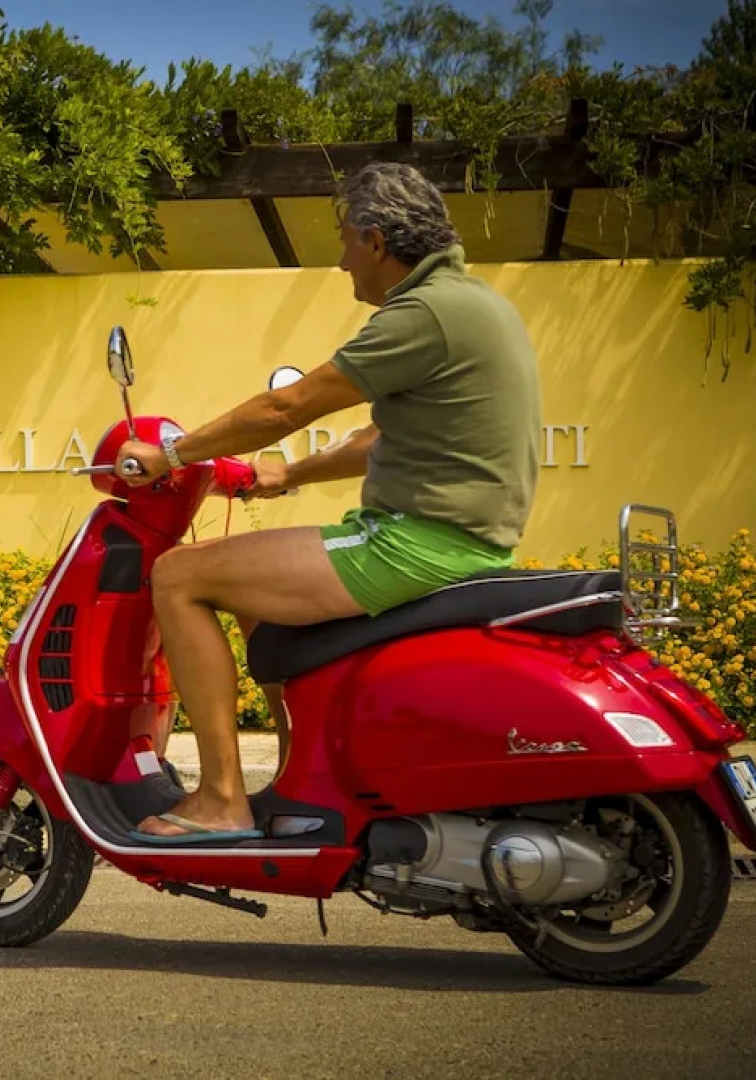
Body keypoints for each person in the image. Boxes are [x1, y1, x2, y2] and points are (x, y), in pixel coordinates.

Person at [117, 161, 542, 843]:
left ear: (375, 240)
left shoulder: (421, 312)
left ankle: (220, 798)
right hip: (450, 539)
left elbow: (287, 403)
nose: (341, 263)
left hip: (414, 544)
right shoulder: (473, 303)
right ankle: (297, 781)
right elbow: (375, 440)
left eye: (345, 242)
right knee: (256, 598)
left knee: (179, 574)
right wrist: (287, 476)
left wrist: (170, 454)